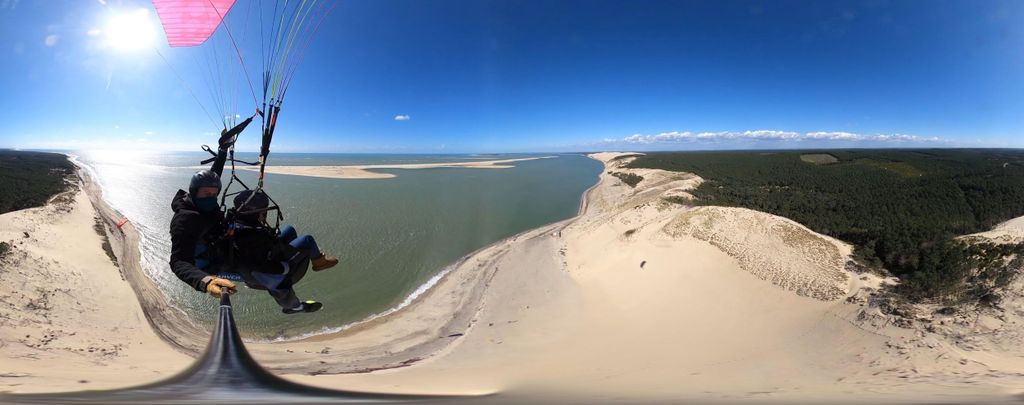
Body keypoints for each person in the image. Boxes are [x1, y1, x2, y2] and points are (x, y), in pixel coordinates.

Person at [167, 114, 256, 299]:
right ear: (194, 192)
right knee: (256, 274)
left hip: (219, 241)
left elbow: (213, 175)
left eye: (214, 194)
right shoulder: (185, 219)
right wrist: (206, 281)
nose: (211, 197)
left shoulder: (202, 198)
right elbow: (178, 262)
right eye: (207, 194)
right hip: (208, 263)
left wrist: (223, 150)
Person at [227, 189, 339, 314]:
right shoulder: (252, 237)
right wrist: (284, 267)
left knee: (289, 230)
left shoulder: (238, 222)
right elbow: (257, 264)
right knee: (307, 240)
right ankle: (320, 263)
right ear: (253, 214)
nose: (265, 213)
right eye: (263, 211)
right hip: (268, 267)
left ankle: (296, 254)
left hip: (265, 252)